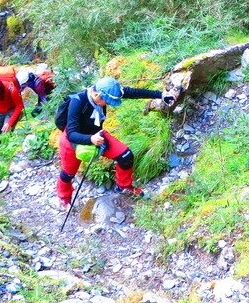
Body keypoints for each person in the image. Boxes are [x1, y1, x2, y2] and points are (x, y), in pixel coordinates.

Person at [56, 76, 175, 210]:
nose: (107, 104)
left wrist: (161, 95)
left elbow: (133, 92)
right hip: (72, 141)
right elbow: (71, 133)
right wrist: (90, 139)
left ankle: (124, 186)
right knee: (68, 174)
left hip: (97, 136)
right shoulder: (77, 102)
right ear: (96, 94)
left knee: (126, 156)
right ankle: (64, 198)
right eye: (105, 101)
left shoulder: (108, 90)